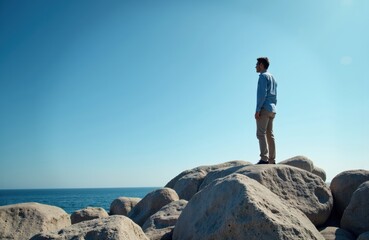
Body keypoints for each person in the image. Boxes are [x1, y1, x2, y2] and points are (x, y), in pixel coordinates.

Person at [255, 57, 277, 164]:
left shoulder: (263, 76)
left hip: (264, 108)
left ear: (262, 65)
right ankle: (272, 160)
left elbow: (262, 94)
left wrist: (258, 109)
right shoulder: (273, 78)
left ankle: (264, 159)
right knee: (270, 134)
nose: (255, 66)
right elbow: (275, 96)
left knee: (261, 133)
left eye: (257, 64)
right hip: (272, 109)